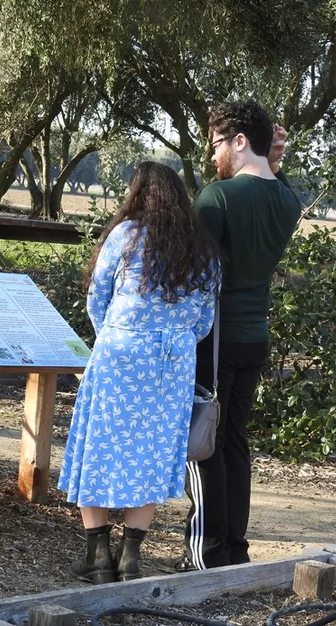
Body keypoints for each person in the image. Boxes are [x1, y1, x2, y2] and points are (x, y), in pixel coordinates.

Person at [58, 161, 221, 584]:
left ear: (137, 194)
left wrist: (117, 334)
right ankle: (130, 559)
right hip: (173, 363)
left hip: (120, 353)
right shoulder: (203, 250)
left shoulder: (125, 237)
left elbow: (98, 299)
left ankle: (97, 559)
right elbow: (204, 322)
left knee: (99, 448)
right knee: (152, 454)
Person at [165, 101, 302, 573]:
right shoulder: (288, 200)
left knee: (204, 441)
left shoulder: (216, 199)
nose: (212, 155)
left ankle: (205, 553)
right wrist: (275, 161)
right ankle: (235, 550)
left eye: (217, 143)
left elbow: (190, 272)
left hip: (215, 337)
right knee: (235, 440)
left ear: (240, 141)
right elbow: (273, 180)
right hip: (254, 336)